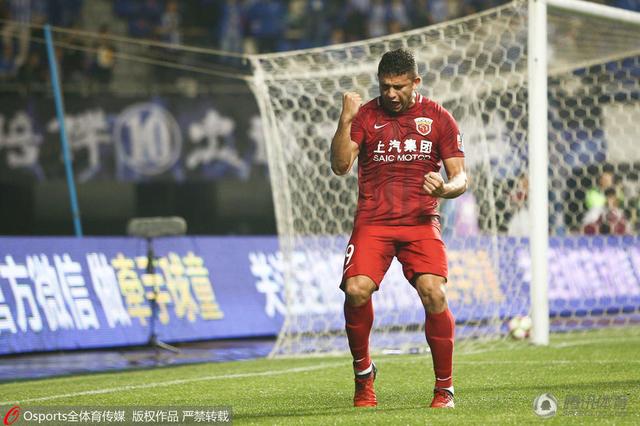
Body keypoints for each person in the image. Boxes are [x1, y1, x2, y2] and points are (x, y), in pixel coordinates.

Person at [330, 48, 467, 409]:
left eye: (399, 87)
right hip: (373, 222)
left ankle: (444, 389)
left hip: (420, 223)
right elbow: (341, 165)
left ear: (415, 82)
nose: (390, 93)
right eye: (385, 86)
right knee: (356, 291)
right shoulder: (365, 116)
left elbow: (461, 177)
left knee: (433, 293)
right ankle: (364, 376)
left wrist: (445, 189)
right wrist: (345, 120)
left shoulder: (438, 118)